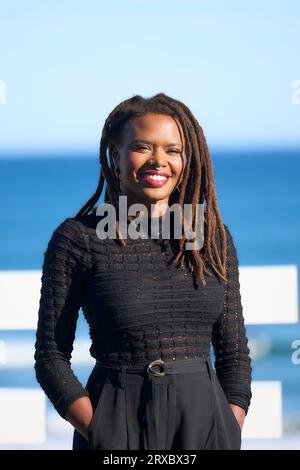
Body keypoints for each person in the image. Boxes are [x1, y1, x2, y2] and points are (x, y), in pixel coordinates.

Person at [34, 92, 252, 450]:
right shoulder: (77, 239)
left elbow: (234, 354)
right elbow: (51, 357)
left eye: (172, 150)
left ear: (187, 159)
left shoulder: (211, 236)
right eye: (142, 147)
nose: (158, 161)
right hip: (116, 422)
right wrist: (103, 431)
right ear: (114, 157)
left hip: (206, 426)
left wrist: (227, 426)